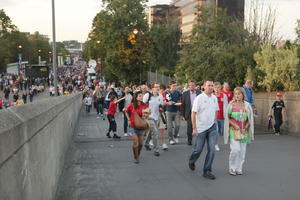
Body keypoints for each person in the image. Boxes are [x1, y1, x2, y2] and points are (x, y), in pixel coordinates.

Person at [188, 79, 219, 180]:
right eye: (209, 85)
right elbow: (193, 113)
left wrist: (214, 121)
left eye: (212, 85)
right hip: (200, 128)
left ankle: (207, 171)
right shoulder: (199, 98)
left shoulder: (214, 98)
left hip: (212, 128)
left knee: (212, 149)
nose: (210, 87)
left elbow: (216, 110)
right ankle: (192, 161)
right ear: (204, 87)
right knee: (198, 150)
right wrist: (194, 128)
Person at [224, 87, 254, 176]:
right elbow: (227, 118)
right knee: (236, 150)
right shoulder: (231, 105)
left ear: (243, 95)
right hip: (234, 131)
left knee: (242, 152)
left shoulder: (247, 105)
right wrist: (235, 125)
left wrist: (246, 127)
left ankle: (239, 168)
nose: (237, 95)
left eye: (239, 94)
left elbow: (250, 119)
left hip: (244, 131)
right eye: (236, 94)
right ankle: (232, 167)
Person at [125, 91, 149, 164]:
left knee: (141, 143)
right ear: (136, 97)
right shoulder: (132, 105)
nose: (141, 97)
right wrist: (128, 119)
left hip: (141, 126)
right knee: (136, 142)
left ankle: (137, 154)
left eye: (142, 96)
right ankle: (136, 157)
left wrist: (146, 115)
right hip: (133, 126)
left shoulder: (145, 106)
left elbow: (147, 115)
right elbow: (126, 111)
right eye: (140, 96)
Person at [143, 83, 164, 156]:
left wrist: (161, 108)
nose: (158, 88)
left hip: (156, 117)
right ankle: (156, 150)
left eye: (159, 87)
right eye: (156, 87)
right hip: (149, 117)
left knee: (151, 131)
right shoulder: (147, 95)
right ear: (152, 88)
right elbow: (142, 105)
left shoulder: (160, 96)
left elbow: (161, 105)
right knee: (155, 132)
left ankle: (146, 143)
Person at [181, 81, 201, 145]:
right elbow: (183, 105)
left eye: (192, 85)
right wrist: (182, 115)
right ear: (188, 86)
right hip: (189, 113)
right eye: (190, 85)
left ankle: (199, 140)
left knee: (199, 126)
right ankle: (189, 140)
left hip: (198, 113)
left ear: (195, 86)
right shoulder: (185, 94)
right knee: (189, 127)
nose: (191, 87)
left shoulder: (199, 92)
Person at [213, 82, 228, 151]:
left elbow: (226, 105)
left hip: (222, 117)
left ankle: (214, 141)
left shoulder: (224, 95)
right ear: (213, 88)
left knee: (220, 131)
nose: (217, 89)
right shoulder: (212, 96)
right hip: (214, 117)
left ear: (220, 88)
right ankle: (215, 144)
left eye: (218, 87)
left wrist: (226, 115)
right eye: (215, 87)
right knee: (216, 131)